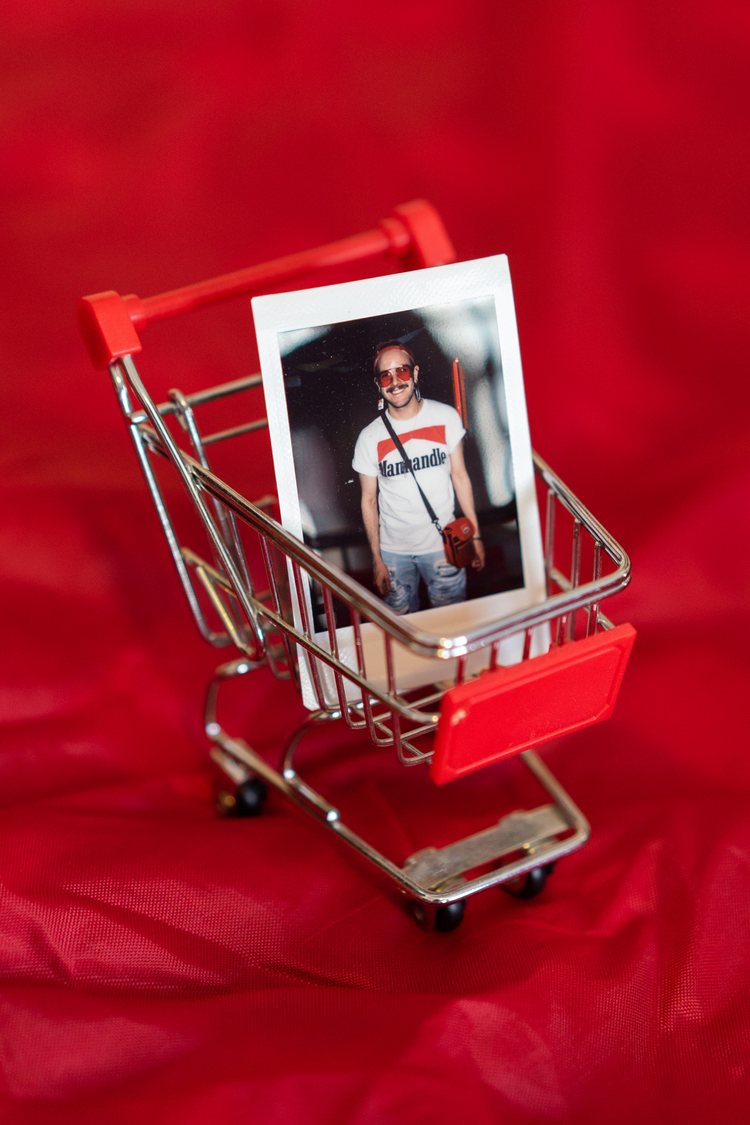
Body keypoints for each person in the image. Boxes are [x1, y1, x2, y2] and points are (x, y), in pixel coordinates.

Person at [352, 340, 485, 615]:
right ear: (378, 384)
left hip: (443, 547)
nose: (395, 382)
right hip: (393, 556)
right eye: (385, 376)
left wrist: (477, 536)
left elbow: (460, 477)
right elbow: (368, 501)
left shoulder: (445, 417)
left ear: (414, 374)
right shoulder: (369, 437)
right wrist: (377, 559)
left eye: (401, 372)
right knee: (402, 629)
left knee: (452, 622)